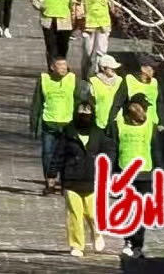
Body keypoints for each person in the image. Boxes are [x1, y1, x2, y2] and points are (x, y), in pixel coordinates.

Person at [47, 99, 113, 257]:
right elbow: (59, 154)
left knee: (93, 213)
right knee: (74, 214)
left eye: (87, 115)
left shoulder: (98, 133)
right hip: (71, 179)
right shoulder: (68, 133)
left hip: (92, 179)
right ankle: (76, 245)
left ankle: (97, 234)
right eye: (81, 114)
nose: (84, 117)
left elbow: (109, 151)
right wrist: (52, 174)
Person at [113, 94, 163, 259]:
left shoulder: (150, 125)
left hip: (145, 173)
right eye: (143, 107)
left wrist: (159, 171)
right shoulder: (119, 124)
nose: (146, 111)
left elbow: (156, 150)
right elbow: (113, 148)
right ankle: (128, 241)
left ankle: (138, 244)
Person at [30, 56, 79, 194]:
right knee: (48, 154)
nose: (63, 68)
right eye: (60, 65)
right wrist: (34, 124)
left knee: (67, 155)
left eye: (65, 65)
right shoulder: (44, 80)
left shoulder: (73, 79)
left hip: (67, 124)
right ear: (52, 67)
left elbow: (79, 101)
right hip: (49, 123)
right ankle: (50, 182)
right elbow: (37, 103)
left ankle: (65, 183)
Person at [111, 54, 164, 133]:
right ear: (143, 68)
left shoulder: (154, 83)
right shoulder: (129, 80)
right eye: (151, 68)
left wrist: (162, 122)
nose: (153, 71)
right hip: (133, 125)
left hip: (152, 125)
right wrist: (113, 118)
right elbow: (118, 101)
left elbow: (159, 103)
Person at [78, 0, 116, 79]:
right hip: (89, 25)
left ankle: (98, 75)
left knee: (101, 52)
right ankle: (85, 76)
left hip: (103, 24)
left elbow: (111, 6)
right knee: (88, 53)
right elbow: (79, 8)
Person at [35, 0, 75, 67]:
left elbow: (73, 3)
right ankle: (52, 67)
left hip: (64, 22)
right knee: (51, 46)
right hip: (48, 21)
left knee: (63, 46)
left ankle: (61, 67)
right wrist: (41, 5)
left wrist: (74, 17)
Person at [89, 55, 122, 131]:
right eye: (111, 68)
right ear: (103, 68)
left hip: (117, 123)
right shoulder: (94, 81)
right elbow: (90, 102)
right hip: (100, 122)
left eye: (114, 68)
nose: (114, 69)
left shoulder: (120, 81)